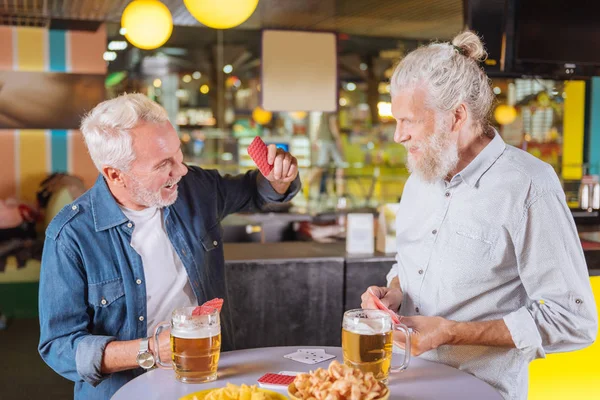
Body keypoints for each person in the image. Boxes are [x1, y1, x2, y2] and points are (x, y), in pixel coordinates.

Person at [361, 31, 597, 400]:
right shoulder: (420, 178)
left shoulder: (529, 185)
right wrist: (393, 293)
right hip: (402, 385)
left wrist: (453, 332)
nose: (398, 136)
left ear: (456, 116)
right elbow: (409, 266)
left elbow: (574, 321)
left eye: (409, 121)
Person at [38, 93, 301, 399]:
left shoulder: (195, 189)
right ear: (114, 174)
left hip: (210, 381)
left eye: (179, 155)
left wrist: (278, 179)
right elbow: (59, 347)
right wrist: (149, 350)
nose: (182, 170)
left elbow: (256, 190)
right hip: (122, 391)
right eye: (164, 164)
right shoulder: (71, 236)